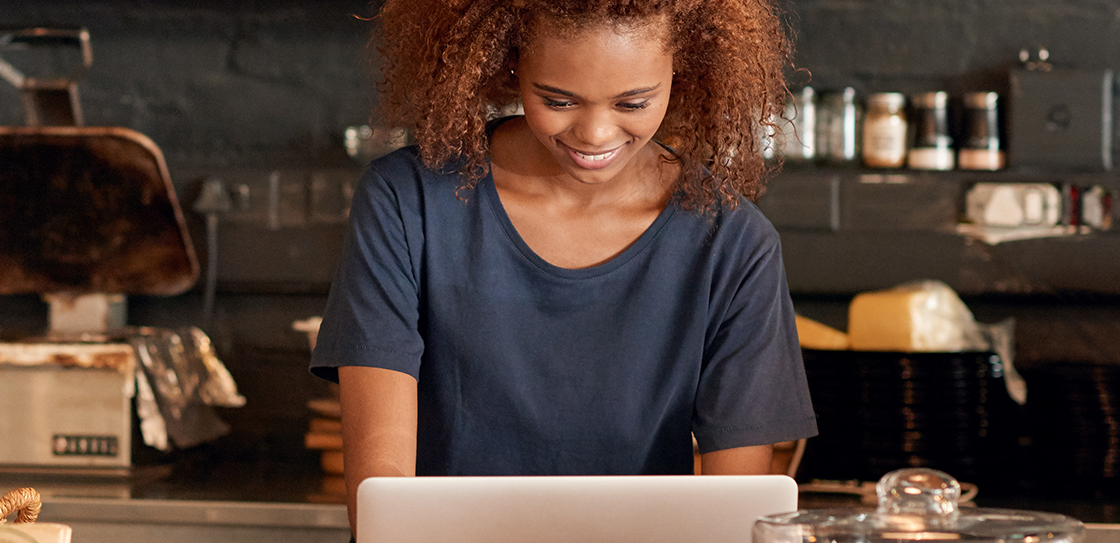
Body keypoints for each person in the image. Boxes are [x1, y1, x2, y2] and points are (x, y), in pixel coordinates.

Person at [308, 0, 819, 529]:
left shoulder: (733, 243)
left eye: (634, 103)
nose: (595, 134)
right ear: (510, 64)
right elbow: (381, 489)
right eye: (557, 99)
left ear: (683, 69)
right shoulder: (406, 201)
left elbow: (735, 512)